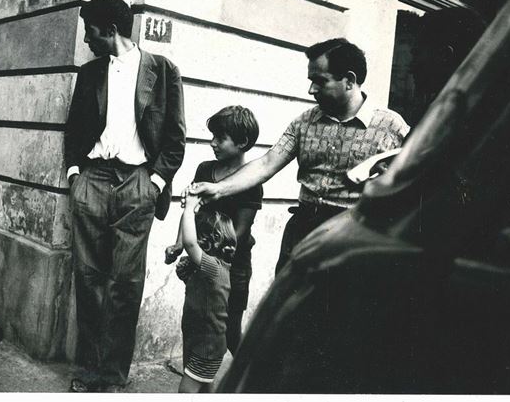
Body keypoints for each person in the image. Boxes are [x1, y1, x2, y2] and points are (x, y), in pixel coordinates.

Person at [191, 39, 409, 275]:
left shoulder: (392, 127)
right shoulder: (304, 122)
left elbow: (417, 191)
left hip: (354, 239)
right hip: (302, 232)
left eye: (320, 81)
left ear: (349, 80)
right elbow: (267, 163)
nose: (311, 90)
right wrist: (219, 189)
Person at [64, 0, 186, 392]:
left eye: (90, 32)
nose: (86, 40)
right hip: (93, 180)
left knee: (125, 284)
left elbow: (175, 139)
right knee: (88, 279)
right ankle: (88, 370)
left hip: (137, 183)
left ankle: (113, 376)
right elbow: (74, 128)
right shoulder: (89, 73)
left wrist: (154, 183)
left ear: (111, 30)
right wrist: (75, 175)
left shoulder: (162, 70)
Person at [166, 106, 262, 353]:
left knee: (230, 333)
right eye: (213, 136)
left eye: (220, 138)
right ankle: (198, 374)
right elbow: (190, 211)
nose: (213, 143)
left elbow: (239, 233)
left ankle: (248, 374)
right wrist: (180, 244)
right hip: (201, 262)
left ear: (242, 142)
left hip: (233, 268)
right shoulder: (205, 170)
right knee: (196, 323)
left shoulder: (251, 182)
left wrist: (201, 256)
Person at [166, 193, 236, 393]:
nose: (193, 240)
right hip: (198, 340)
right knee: (204, 389)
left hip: (206, 348)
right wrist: (185, 274)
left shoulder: (214, 268)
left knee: (186, 392)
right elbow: (199, 291)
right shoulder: (207, 270)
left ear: (212, 240)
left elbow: (189, 244)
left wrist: (189, 208)